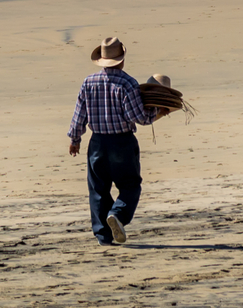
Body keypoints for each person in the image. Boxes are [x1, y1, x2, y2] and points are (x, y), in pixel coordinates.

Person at [65, 33, 169, 245]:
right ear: (122, 59)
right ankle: (118, 215)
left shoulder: (88, 82)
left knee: (98, 190)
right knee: (130, 185)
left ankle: (103, 236)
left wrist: (74, 139)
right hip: (122, 142)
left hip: (97, 144)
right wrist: (158, 112)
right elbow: (138, 117)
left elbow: (79, 115)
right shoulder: (128, 83)